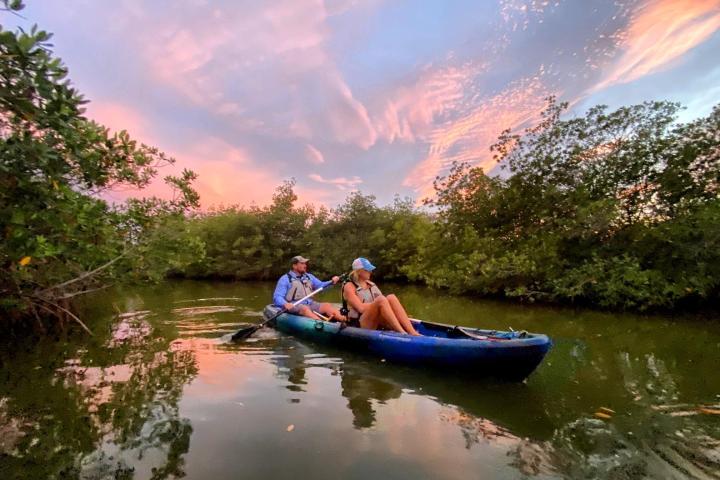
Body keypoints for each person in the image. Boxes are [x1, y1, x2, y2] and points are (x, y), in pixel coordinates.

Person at [341, 257, 421, 335]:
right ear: (359, 271)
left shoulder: (371, 284)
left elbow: (384, 306)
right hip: (360, 323)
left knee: (391, 297)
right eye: (367, 270)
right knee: (382, 300)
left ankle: (412, 332)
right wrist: (379, 303)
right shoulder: (349, 286)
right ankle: (402, 333)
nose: (370, 271)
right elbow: (361, 308)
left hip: (376, 321)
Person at [273, 255, 345, 321]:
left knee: (327, 305)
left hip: (310, 303)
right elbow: (277, 296)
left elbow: (321, 286)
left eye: (305, 263)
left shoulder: (309, 277)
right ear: (294, 266)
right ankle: (321, 323)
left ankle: (344, 320)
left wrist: (332, 282)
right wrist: (285, 304)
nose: (305, 265)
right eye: (302, 263)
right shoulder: (285, 279)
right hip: (294, 305)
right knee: (305, 309)